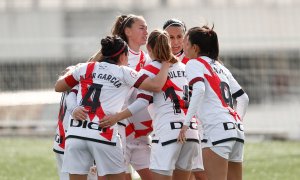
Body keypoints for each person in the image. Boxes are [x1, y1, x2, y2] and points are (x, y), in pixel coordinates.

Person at [55, 36, 170, 180]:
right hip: (104, 134)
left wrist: (72, 74)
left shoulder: (86, 67)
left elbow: (59, 86)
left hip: (76, 135)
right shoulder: (124, 72)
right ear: (122, 56)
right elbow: (156, 85)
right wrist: (166, 63)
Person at [99, 30, 200, 180]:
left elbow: (142, 101)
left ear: (149, 48)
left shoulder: (150, 69)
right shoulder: (185, 68)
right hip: (191, 132)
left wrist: (117, 117)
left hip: (168, 132)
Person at [177, 26, 249, 180]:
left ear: (195, 48)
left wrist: (186, 123)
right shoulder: (221, 67)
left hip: (217, 131)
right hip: (236, 130)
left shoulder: (193, 63)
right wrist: (236, 120)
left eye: (185, 42)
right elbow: (244, 98)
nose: (183, 45)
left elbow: (199, 89)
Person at [163, 19, 206, 180]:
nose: (175, 42)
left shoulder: (194, 61)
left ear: (186, 38)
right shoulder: (157, 61)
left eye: (179, 37)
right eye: (170, 37)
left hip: (195, 123)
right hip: (169, 124)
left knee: (200, 172)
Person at [111, 14, 153, 180]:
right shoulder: (116, 56)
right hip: (117, 128)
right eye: (141, 28)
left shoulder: (147, 59)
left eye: (146, 28)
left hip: (139, 134)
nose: (146, 32)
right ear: (127, 31)